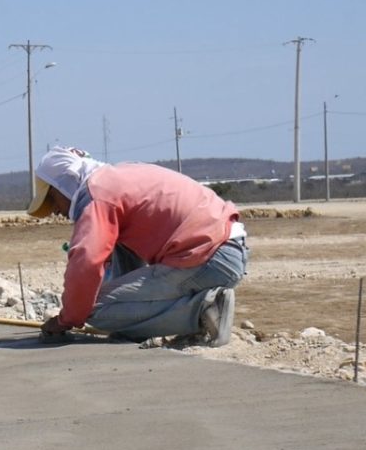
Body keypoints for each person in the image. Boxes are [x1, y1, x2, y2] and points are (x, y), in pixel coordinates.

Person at [29, 146, 247, 347]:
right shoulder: (118, 177)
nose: (55, 209)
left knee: (94, 309)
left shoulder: (96, 195)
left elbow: (86, 261)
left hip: (209, 256)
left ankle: (204, 310)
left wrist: (67, 319)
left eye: (52, 199)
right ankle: (136, 327)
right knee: (116, 248)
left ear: (64, 184)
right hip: (225, 247)